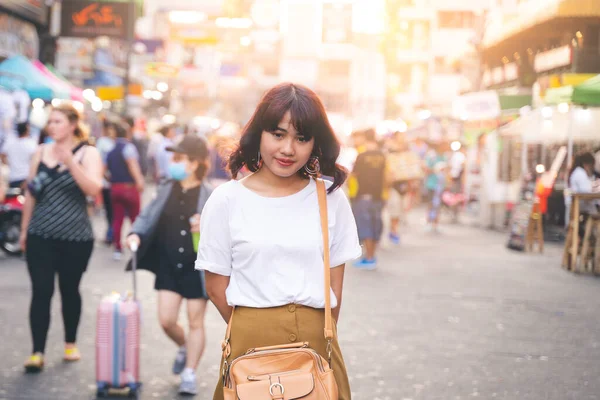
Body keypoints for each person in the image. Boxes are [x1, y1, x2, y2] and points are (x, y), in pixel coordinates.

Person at [196, 83, 361, 400]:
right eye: (278, 134)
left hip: (318, 340)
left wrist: (317, 333)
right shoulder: (227, 200)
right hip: (249, 342)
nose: (288, 149)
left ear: (315, 143)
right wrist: (256, 325)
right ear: (259, 133)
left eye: (301, 138)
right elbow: (216, 286)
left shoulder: (330, 199)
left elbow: (335, 287)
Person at [126, 135, 213, 395]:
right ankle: (185, 346)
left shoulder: (210, 195)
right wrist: (136, 233)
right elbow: (147, 214)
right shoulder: (166, 186)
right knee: (166, 320)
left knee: (196, 321)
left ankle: (189, 372)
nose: (172, 162)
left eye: (178, 158)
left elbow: (223, 233)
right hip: (168, 262)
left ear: (195, 163)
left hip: (196, 267)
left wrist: (204, 227)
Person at [20, 103, 103, 372]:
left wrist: (70, 163)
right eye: (50, 122)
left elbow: (93, 189)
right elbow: (31, 194)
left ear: (71, 124)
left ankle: (70, 343)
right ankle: (37, 351)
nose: (52, 126)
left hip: (75, 238)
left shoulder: (88, 153)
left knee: (69, 291)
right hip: (40, 234)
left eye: (57, 121)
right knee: (41, 291)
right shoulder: (40, 152)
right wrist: (24, 230)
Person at [106, 121, 144, 260]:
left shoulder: (111, 150)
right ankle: (137, 247)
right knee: (135, 218)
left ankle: (117, 248)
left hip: (115, 188)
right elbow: (133, 165)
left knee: (117, 219)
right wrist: (139, 181)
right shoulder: (129, 148)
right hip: (129, 188)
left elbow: (105, 171)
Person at [351, 129, 388, 269]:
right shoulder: (382, 156)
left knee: (366, 226)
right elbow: (386, 176)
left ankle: (369, 257)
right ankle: (371, 256)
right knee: (375, 225)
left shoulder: (361, 156)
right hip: (378, 196)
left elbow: (353, 175)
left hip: (363, 195)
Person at [96, 119, 116, 244]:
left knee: (113, 211)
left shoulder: (114, 142)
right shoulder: (103, 142)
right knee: (110, 210)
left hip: (116, 182)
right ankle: (111, 233)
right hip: (107, 182)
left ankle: (112, 234)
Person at [1, 121, 37, 189]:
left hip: (12, 178)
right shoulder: (31, 144)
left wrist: (9, 164)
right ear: (27, 130)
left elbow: (2, 155)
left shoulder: (10, 143)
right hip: (26, 178)